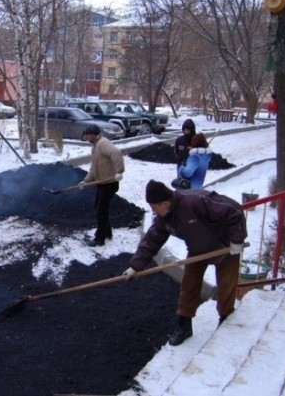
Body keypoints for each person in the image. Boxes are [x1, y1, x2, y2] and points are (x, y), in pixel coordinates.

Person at [123, 180, 247, 346]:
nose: (154, 212)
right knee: (189, 286)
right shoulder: (164, 217)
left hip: (225, 247)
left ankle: (225, 322)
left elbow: (234, 210)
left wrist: (237, 241)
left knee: (226, 286)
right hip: (197, 249)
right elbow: (152, 239)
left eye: (154, 207)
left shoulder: (196, 201)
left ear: (165, 203)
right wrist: (134, 266)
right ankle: (184, 326)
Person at [78, 124, 125, 247]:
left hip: (109, 183)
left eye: (88, 135)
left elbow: (117, 152)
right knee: (99, 208)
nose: (86, 137)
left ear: (94, 134)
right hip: (102, 183)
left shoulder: (103, 143)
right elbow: (93, 169)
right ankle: (107, 233)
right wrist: (85, 181)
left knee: (101, 211)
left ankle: (99, 239)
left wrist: (119, 171)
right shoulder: (95, 148)